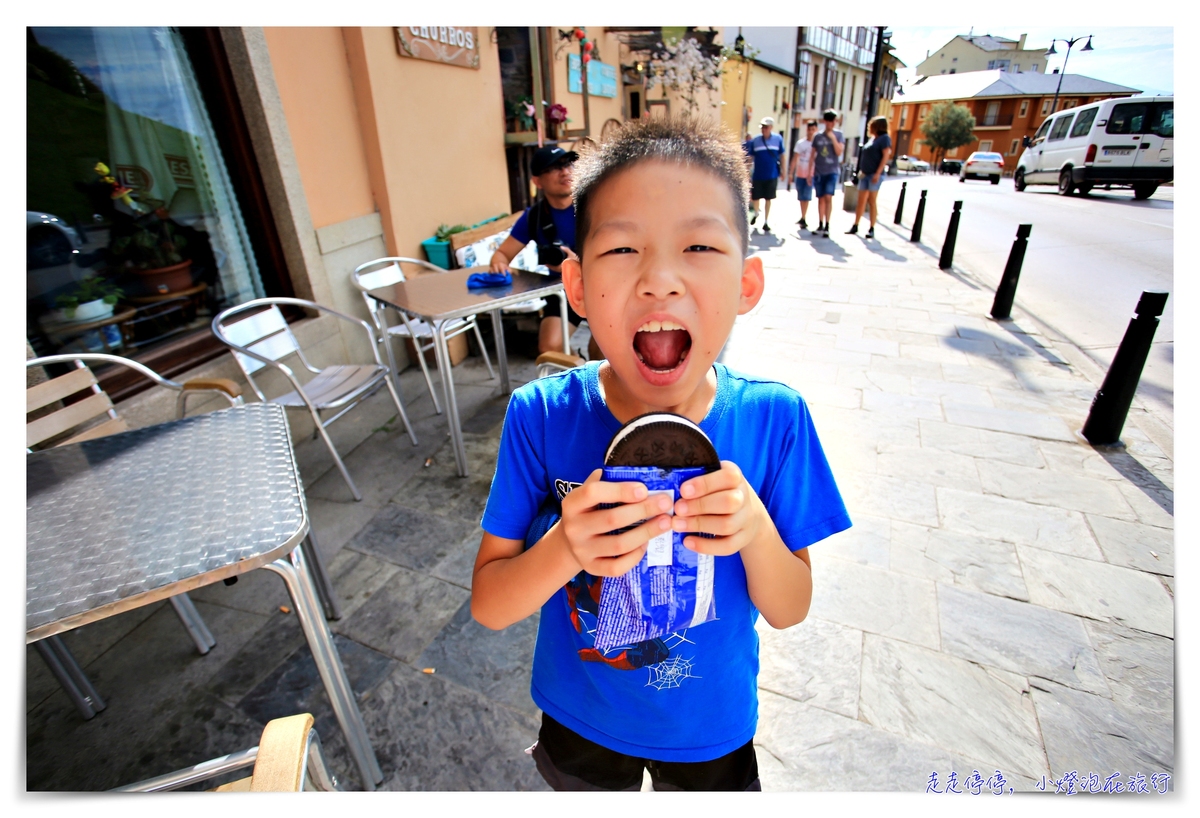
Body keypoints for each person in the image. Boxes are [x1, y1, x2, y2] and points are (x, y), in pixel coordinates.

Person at [471, 116, 851, 792]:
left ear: (747, 284)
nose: (660, 280)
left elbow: (791, 607)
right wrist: (567, 548)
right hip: (580, 717)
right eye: (622, 251)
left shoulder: (775, 419)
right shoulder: (539, 417)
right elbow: (491, 606)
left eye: (700, 246)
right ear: (579, 286)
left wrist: (755, 528)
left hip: (709, 726)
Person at [489, 144, 588, 356]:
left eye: (568, 164)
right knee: (550, 348)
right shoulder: (533, 217)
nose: (565, 172)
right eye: (553, 168)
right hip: (563, 290)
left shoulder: (594, 205)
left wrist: (577, 264)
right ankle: (580, 378)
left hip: (602, 286)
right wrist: (499, 264)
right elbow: (502, 254)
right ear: (537, 181)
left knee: (604, 351)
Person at [846, 116, 893, 239]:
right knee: (861, 201)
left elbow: (885, 156)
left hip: (874, 174)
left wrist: (878, 173)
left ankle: (872, 227)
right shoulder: (872, 139)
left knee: (872, 201)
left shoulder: (884, 139)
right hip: (865, 174)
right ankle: (856, 225)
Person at [742, 116, 786, 233]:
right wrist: (746, 170)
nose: (764, 129)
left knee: (768, 198)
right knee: (756, 197)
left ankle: (766, 221)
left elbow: (782, 155)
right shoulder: (756, 141)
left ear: (771, 127)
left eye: (766, 127)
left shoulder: (777, 139)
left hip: (771, 174)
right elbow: (750, 156)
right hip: (758, 174)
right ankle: (756, 213)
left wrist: (784, 170)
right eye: (762, 127)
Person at [811, 109, 845, 238]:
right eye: (829, 121)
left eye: (834, 121)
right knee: (820, 198)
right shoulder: (818, 136)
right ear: (825, 121)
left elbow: (839, 152)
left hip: (832, 170)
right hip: (819, 170)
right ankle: (820, 223)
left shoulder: (839, 135)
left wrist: (833, 138)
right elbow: (813, 155)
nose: (831, 124)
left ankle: (827, 224)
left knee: (828, 197)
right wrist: (810, 171)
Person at [791, 120, 818, 231]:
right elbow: (795, 158)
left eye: (813, 129)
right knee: (801, 196)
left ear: (815, 130)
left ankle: (804, 217)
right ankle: (802, 216)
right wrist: (790, 173)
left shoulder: (817, 145)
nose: (811, 132)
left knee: (806, 196)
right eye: (809, 129)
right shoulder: (800, 143)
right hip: (800, 173)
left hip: (810, 174)